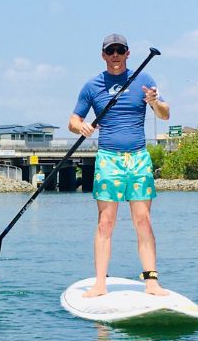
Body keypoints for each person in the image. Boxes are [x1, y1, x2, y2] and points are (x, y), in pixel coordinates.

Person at [68, 34, 170, 298]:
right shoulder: (92, 86)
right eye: (110, 51)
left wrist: (154, 102)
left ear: (127, 53)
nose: (115, 55)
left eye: (120, 50)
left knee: (143, 220)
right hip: (108, 158)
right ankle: (100, 283)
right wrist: (82, 126)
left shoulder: (145, 81)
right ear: (103, 55)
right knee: (105, 222)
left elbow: (165, 114)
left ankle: (152, 282)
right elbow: (73, 120)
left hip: (138, 158)